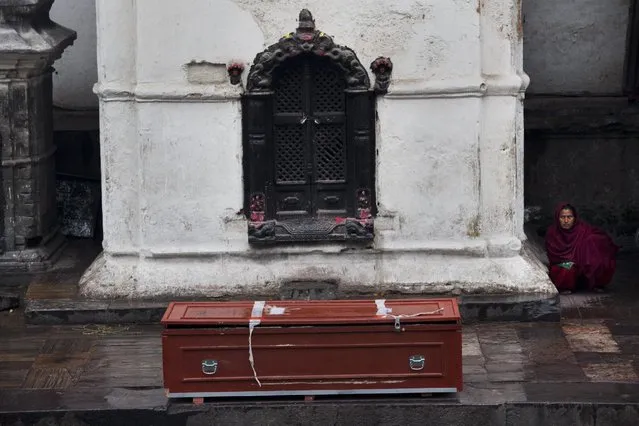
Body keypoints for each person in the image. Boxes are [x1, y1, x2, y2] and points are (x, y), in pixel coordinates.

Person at [545, 202, 619, 294]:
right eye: (562, 217)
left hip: (583, 270)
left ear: (575, 218)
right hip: (566, 266)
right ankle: (566, 287)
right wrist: (572, 260)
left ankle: (595, 284)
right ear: (557, 218)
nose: (566, 221)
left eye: (569, 217)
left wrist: (589, 249)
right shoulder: (552, 233)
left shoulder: (582, 229)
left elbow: (601, 238)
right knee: (567, 269)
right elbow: (553, 257)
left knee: (598, 258)